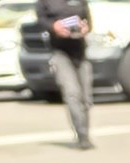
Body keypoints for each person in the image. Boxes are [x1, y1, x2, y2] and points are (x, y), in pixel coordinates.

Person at [35, 0, 92, 149]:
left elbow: (88, 19)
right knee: (72, 93)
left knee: (86, 98)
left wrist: (85, 27)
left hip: (80, 52)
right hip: (60, 52)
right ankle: (82, 135)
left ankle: (86, 131)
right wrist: (54, 27)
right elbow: (40, 20)